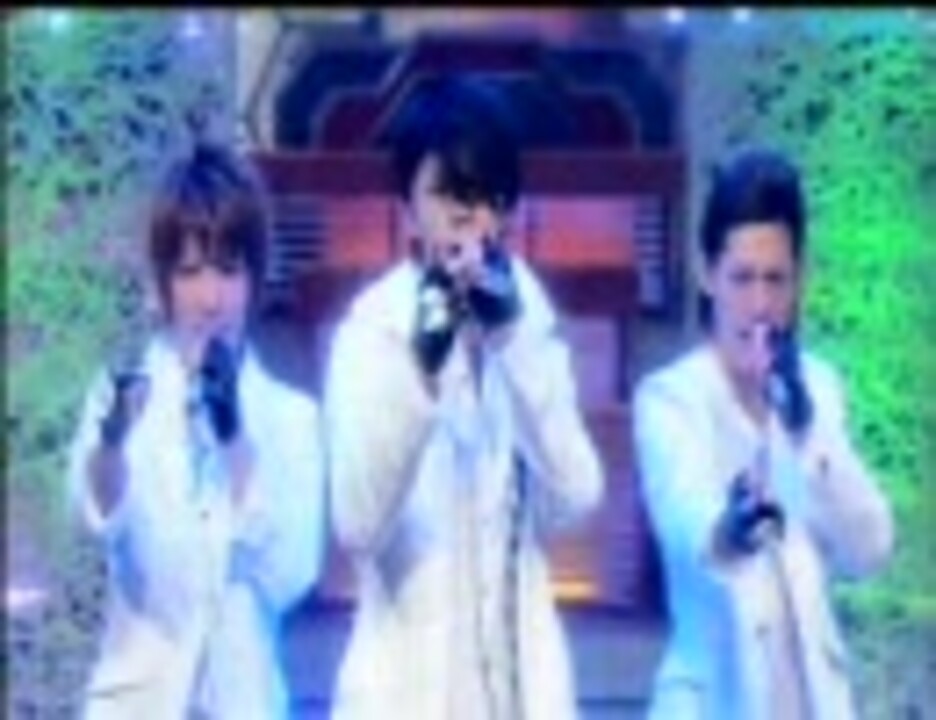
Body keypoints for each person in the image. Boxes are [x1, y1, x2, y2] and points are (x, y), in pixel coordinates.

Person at [324, 73, 604, 720]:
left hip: (519, 690)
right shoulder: (372, 330)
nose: (465, 215)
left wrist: (513, 341)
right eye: (446, 193)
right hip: (403, 691)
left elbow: (577, 495)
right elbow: (357, 524)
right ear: (408, 205)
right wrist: (420, 372)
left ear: (504, 209)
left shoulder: (526, 317)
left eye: (481, 195)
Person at [67, 140, 327, 719]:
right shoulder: (121, 395)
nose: (211, 299)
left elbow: (291, 574)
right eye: (190, 273)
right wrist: (112, 444)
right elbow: (95, 517)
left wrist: (234, 440)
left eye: (229, 271)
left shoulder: (292, 417)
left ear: (255, 277)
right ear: (161, 283)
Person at [633, 147, 896, 719]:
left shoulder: (818, 388)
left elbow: (870, 547)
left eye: (776, 280)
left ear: (800, 280)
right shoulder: (671, 399)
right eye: (743, 278)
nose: (760, 304)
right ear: (708, 275)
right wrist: (730, 527)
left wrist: (807, 433)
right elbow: (685, 522)